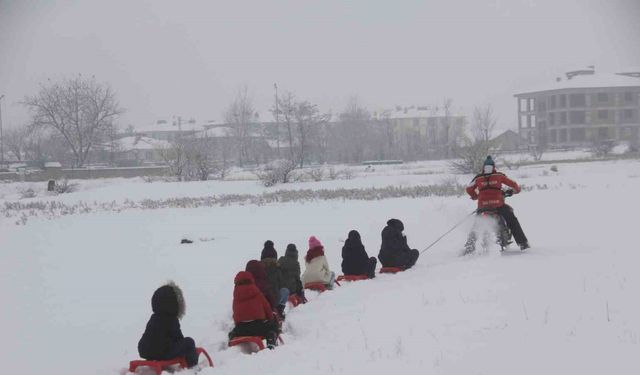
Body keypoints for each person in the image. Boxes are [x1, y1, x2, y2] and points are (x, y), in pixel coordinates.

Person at [465, 155, 530, 250]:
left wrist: (475, 196)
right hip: (498, 205)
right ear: (494, 167)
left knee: (476, 224)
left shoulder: (478, 178)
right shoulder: (499, 176)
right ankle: (523, 243)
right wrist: (517, 190)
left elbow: (468, 189)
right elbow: (513, 184)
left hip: (483, 206)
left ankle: (470, 246)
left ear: (483, 167)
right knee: (512, 220)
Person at [138, 282, 199, 368]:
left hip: (145, 351)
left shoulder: (154, 317)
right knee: (189, 342)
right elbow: (178, 338)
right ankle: (192, 366)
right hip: (162, 353)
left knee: (162, 343)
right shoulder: (171, 319)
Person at [228, 271, 279, 349]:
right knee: (272, 327)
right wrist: (271, 319)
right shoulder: (256, 291)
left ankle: (232, 337)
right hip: (258, 327)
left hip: (241, 328)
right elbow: (267, 307)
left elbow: (235, 312)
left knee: (234, 331)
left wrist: (237, 324)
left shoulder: (236, 295)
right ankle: (271, 340)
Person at [260, 241, 290, 319]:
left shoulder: (259, 269)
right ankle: (280, 310)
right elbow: (281, 284)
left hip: (261, 300)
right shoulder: (277, 269)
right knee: (285, 290)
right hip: (274, 300)